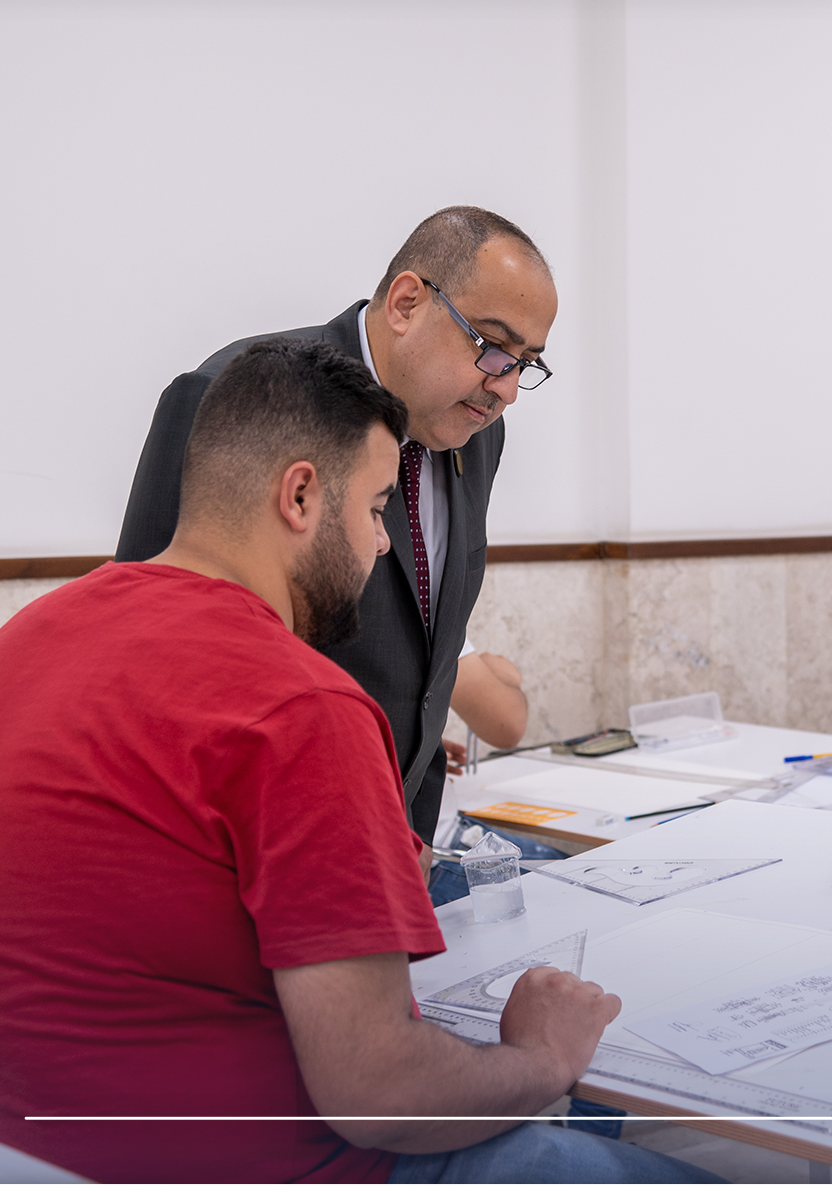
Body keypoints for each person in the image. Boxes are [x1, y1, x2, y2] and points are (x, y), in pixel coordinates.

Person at [0, 340, 714, 1184]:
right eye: (375, 509)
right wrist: (542, 1056)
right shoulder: (301, 704)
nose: (380, 545)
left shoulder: (21, 645)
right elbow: (382, 1094)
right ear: (299, 496)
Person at [114, 206, 558, 848]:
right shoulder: (241, 398)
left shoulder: (475, 431)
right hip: (256, 848)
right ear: (406, 303)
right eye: (492, 348)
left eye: (526, 363)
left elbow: (426, 670)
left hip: (399, 843)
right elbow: (149, 653)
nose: (507, 389)